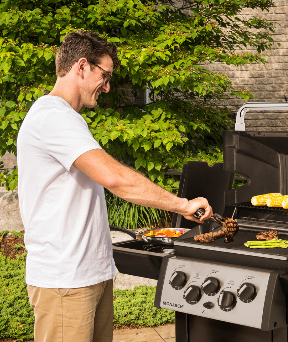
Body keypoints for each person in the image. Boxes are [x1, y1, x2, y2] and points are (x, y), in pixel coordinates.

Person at [16, 31, 214, 342]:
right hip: (65, 281)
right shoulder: (52, 117)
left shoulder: (68, 118)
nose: (107, 86)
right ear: (82, 67)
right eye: (104, 75)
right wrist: (182, 205)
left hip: (88, 274)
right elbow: (116, 179)